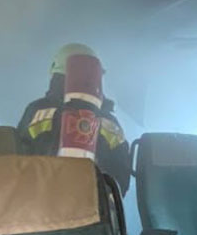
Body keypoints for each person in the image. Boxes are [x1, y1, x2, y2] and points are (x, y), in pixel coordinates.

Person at [17, 43, 131, 195]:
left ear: (56, 76)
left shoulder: (36, 111)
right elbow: (121, 180)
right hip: (95, 211)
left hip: (41, 208)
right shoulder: (110, 123)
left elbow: (18, 160)